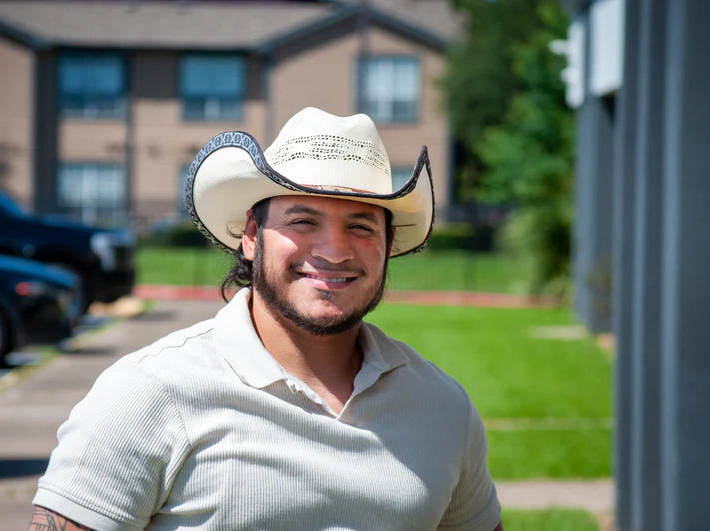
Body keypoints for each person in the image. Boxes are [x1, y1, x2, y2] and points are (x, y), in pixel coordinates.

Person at [29, 107, 503, 531]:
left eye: (360, 226)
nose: (334, 251)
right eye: (303, 221)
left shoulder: (443, 409)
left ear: (387, 245)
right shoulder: (148, 393)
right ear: (252, 236)